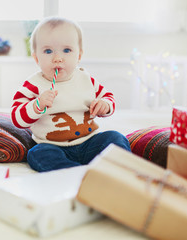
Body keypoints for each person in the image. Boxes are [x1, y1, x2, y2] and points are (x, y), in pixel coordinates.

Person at [11, 16, 131, 172]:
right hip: (53, 146)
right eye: (48, 51)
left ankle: (121, 172)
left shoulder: (85, 79)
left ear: (79, 56)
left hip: (89, 142)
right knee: (36, 154)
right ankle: (77, 174)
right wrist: (36, 105)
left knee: (115, 138)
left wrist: (105, 105)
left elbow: (108, 97)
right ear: (36, 58)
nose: (57, 58)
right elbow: (16, 118)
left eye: (67, 50)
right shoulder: (33, 85)